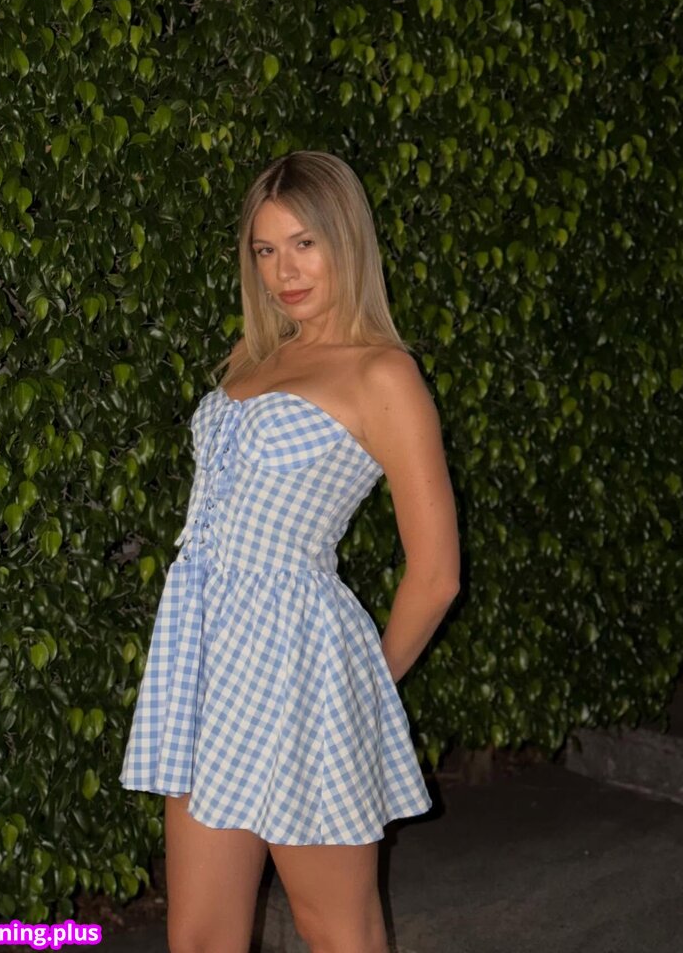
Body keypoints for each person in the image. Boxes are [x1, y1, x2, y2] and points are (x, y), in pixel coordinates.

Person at [120, 151, 461, 953]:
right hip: (204, 662)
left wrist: (363, 684)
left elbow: (437, 574)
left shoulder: (383, 374)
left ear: (347, 241)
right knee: (199, 936)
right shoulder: (254, 357)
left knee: (337, 931)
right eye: (266, 250)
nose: (284, 272)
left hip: (301, 669)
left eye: (305, 244)